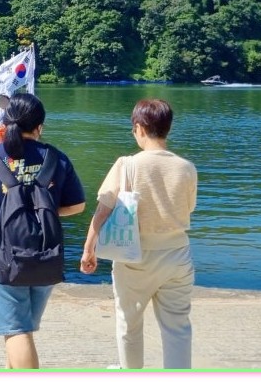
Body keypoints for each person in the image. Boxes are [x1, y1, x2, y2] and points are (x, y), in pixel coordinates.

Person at [0, 94, 86, 369]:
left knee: (16, 330)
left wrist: (0, 213)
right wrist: (46, 211)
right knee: (20, 329)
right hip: (46, 253)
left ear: (5, 122)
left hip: (2, 253)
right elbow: (77, 206)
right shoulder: (55, 158)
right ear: (39, 126)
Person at [80, 99, 198, 370]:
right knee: (178, 327)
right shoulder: (186, 168)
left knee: (129, 323)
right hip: (177, 254)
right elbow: (188, 208)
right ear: (167, 128)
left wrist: (89, 249)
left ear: (139, 128)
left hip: (134, 256)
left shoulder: (127, 164)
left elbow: (103, 211)